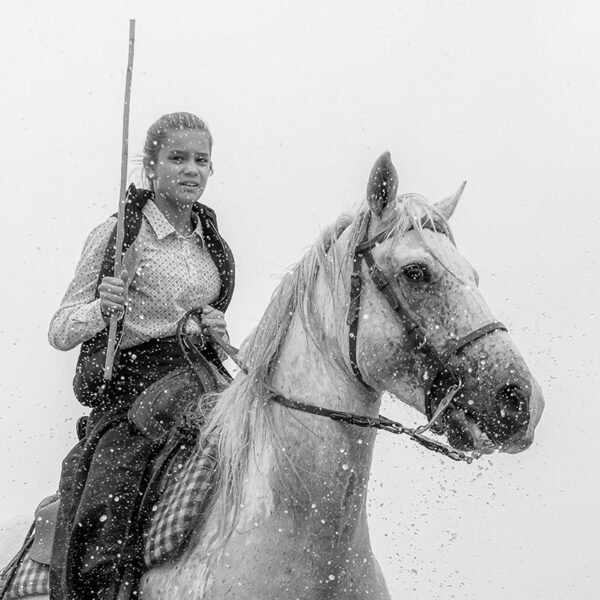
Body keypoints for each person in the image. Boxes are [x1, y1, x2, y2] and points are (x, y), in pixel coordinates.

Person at [47, 112, 235, 600]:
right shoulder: (119, 234)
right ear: (150, 167)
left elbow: (203, 318)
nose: (192, 170)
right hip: (133, 391)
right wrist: (101, 308)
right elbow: (60, 331)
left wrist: (215, 328)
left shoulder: (211, 243)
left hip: (202, 377)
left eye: (202, 160)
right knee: (102, 510)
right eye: (178, 158)